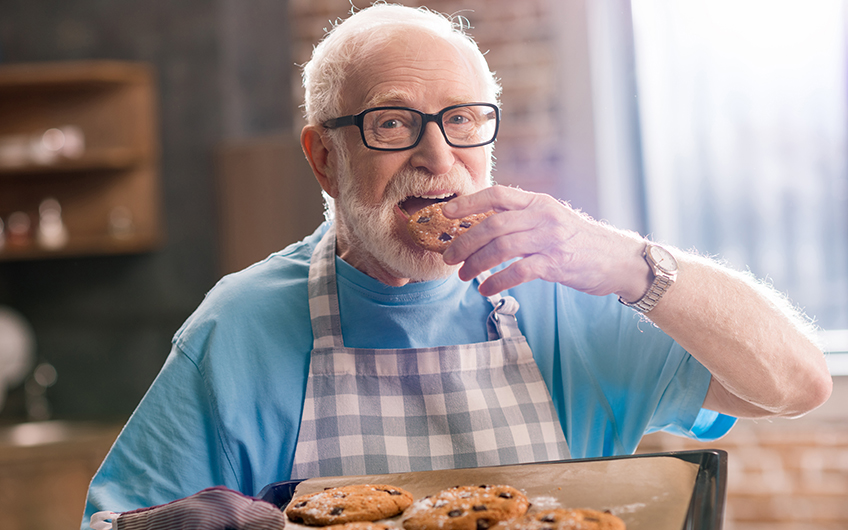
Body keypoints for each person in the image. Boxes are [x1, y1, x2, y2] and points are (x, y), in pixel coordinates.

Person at [81, 3, 832, 528]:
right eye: (393, 122)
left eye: (464, 120)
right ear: (324, 157)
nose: (438, 158)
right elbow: (121, 526)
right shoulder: (241, 327)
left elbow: (797, 384)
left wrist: (627, 262)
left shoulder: (570, 294)